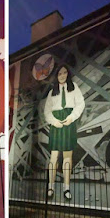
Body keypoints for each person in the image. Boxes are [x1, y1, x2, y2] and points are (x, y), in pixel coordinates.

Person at [44, 65, 85, 200]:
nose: (62, 75)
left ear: (68, 73)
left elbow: (80, 104)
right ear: (56, 75)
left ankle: (66, 188)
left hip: (68, 122)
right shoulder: (52, 92)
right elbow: (47, 111)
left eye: (65, 72)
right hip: (56, 123)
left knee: (67, 156)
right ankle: (51, 186)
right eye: (60, 73)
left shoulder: (74, 87)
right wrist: (53, 121)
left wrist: (71, 117)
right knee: (54, 157)